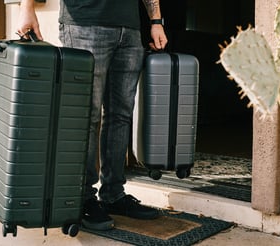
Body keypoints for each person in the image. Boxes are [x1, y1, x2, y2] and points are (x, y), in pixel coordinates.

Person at [18, 0, 168, 231]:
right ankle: (81, 199)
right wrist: (26, 8)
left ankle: (113, 194)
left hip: (129, 30)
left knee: (121, 116)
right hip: (84, 25)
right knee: (86, 117)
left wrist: (155, 21)